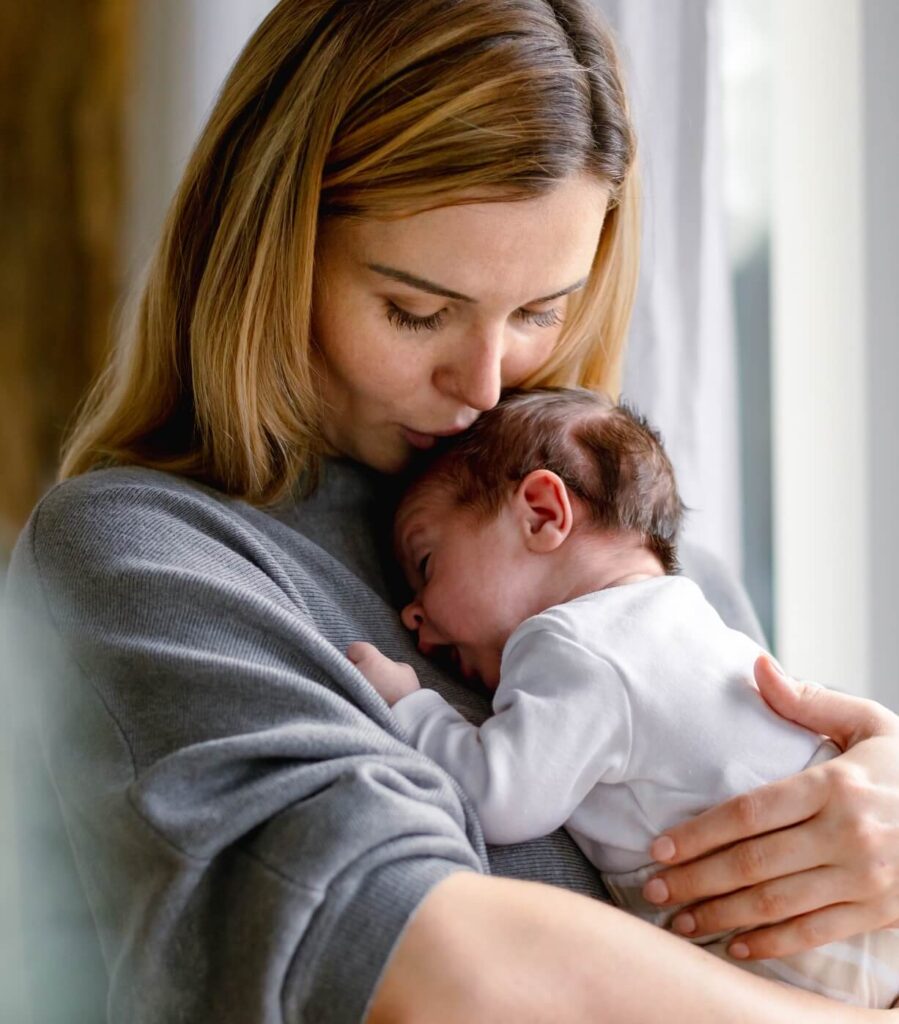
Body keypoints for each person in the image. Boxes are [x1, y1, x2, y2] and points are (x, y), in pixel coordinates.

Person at [5, 1, 899, 1021]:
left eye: (537, 312)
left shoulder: (653, 567)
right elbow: (426, 966)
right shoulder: (149, 556)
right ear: (269, 247)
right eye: (414, 311)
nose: (481, 384)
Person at [349, 385, 899, 1008]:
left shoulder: (577, 642)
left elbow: (498, 797)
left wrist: (410, 704)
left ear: (542, 513)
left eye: (426, 562)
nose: (412, 615)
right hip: (858, 920)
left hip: (794, 939)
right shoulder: (685, 614)